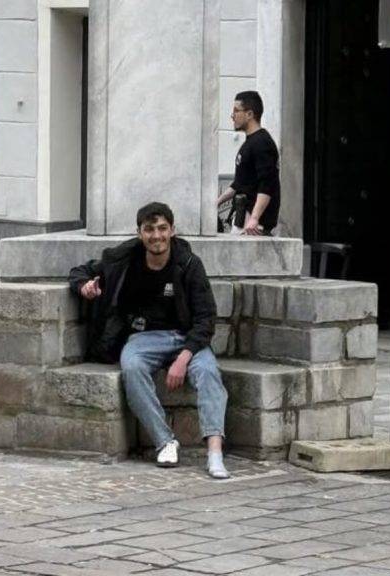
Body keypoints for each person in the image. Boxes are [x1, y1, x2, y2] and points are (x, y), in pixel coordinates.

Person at [68, 202, 230, 479]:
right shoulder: (124, 260)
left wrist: (184, 357)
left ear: (172, 231)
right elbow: (81, 271)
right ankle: (165, 441)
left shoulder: (189, 264)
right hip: (144, 338)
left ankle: (215, 452)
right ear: (140, 233)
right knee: (130, 366)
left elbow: (206, 318)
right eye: (149, 230)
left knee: (208, 372)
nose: (157, 236)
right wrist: (85, 287)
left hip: (186, 337)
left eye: (162, 229)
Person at [217, 90, 281, 235]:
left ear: (249, 114)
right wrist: (216, 203)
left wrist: (254, 218)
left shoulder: (262, 143)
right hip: (242, 218)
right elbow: (239, 183)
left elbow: (267, 184)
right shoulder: (250, 142)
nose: (232, 116)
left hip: (253, 224)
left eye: (236, 111)